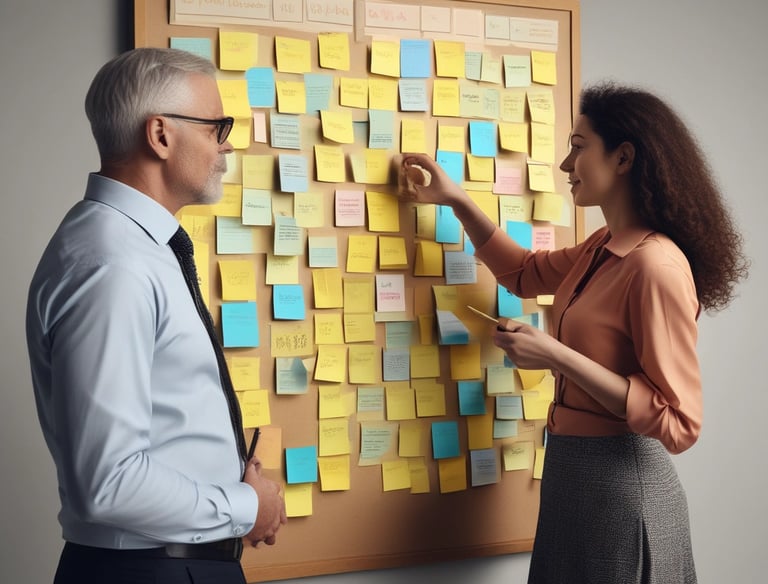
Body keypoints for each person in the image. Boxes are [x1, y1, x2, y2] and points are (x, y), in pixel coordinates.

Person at [399, 81, 748, 584]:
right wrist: (454, 198)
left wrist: (556, 356)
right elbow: (521, 272)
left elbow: (679, 423)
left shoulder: (655, 267)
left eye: (579, 148)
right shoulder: (603, 245)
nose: (565, 165)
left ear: (623, 158)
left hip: (624, 489)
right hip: (573, 479)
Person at [26, 48, 286, 584]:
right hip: (148, 572)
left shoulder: (136, 248)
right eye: (217, 127)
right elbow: (109, 482)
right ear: (161, 135)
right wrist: (244, 507)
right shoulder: (112, 263)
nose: (227, 143)